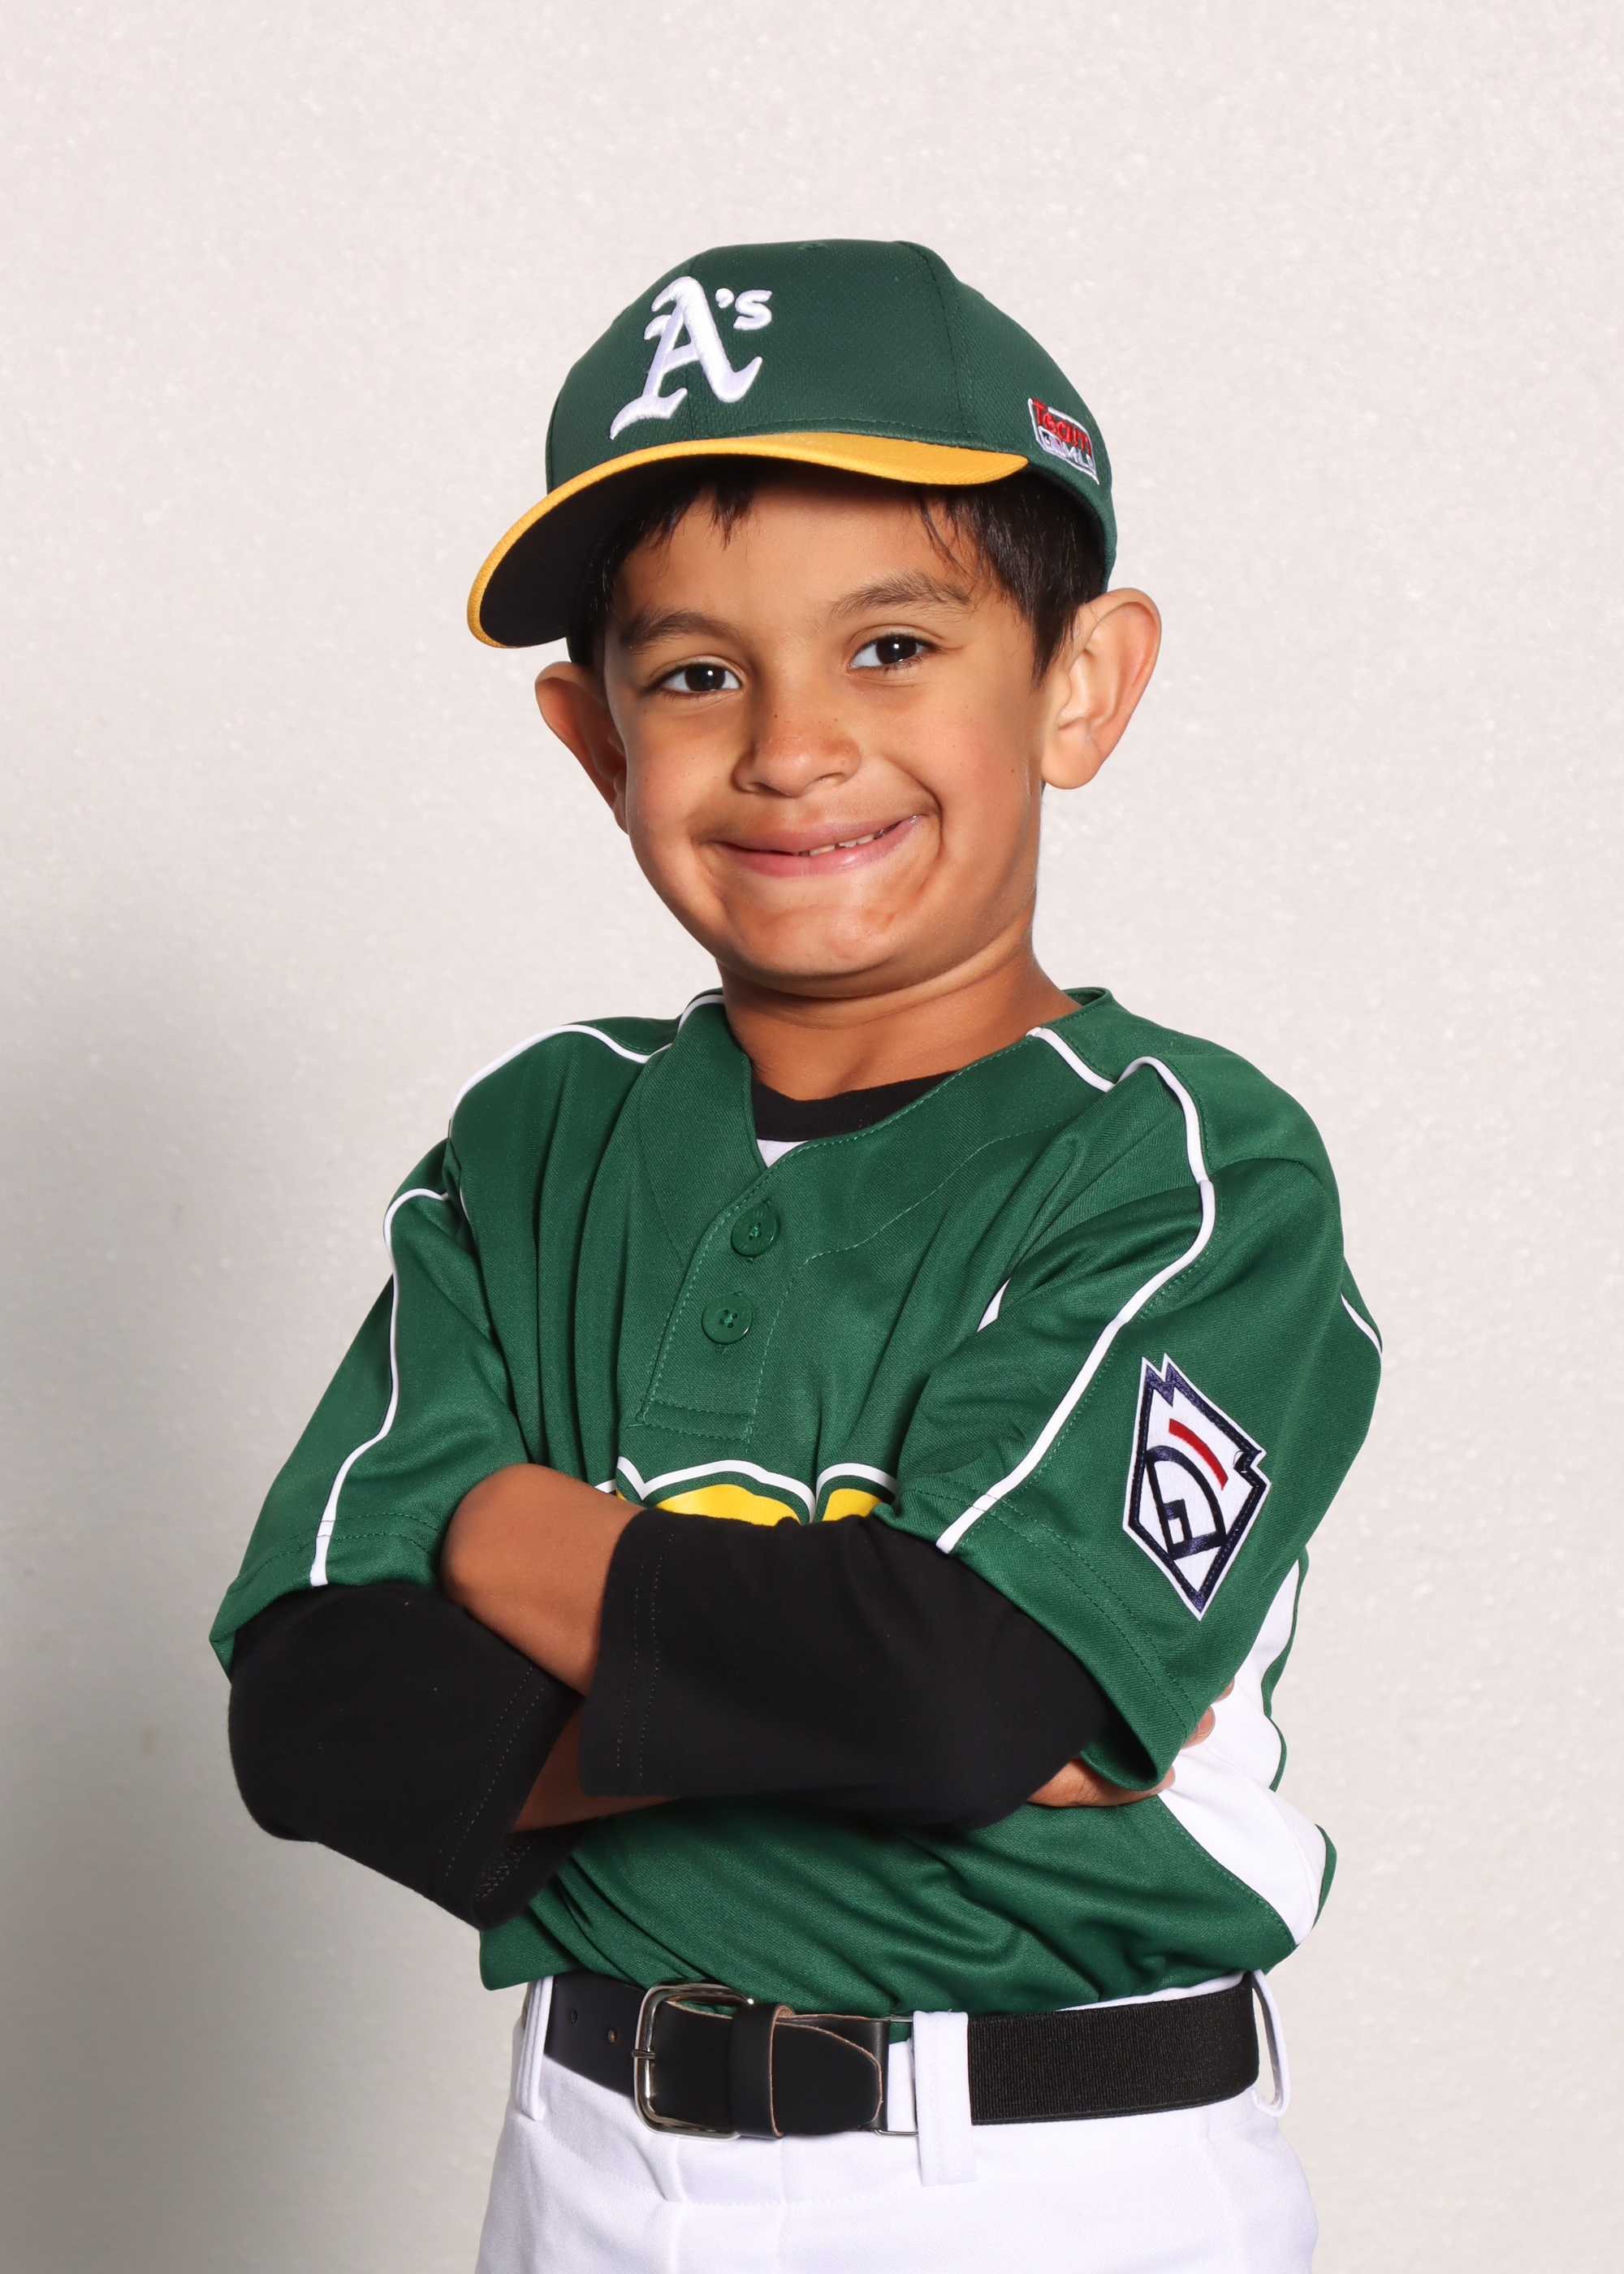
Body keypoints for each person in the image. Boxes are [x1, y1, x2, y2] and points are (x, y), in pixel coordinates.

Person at [214, 237, 1381, 2273]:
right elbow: (314, 1711)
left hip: (1047, 2175)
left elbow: (959, 1689)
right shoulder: (536, 1144)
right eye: (693, 673)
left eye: (893, 645)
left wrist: (510, 1539)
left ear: (1081, 680)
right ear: (594, 738)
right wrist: (860, 1703)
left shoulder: (1185, 1167)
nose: (789, 744)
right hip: (592, 2157)